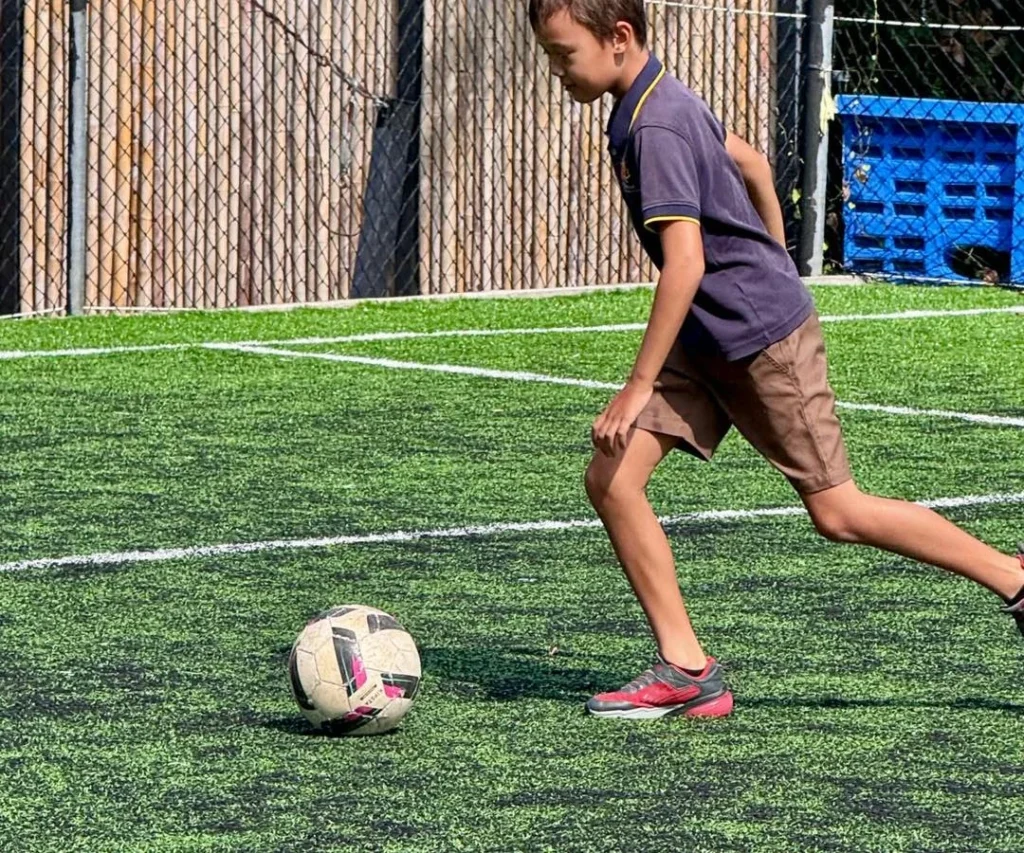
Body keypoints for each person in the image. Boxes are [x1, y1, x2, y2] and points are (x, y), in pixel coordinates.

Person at [528, 0, 1024, 719]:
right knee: (611, 478)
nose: (556, 70)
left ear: (619, 37)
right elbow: (751, 162)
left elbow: (686, 263)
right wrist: (771, 256)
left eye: (564, 54)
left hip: (760, 342)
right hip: (708, 342)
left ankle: (1011, 578)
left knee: (840, 511)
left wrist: (640, 385)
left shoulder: (656, 126)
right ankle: (687, 667)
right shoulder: (653, 97)